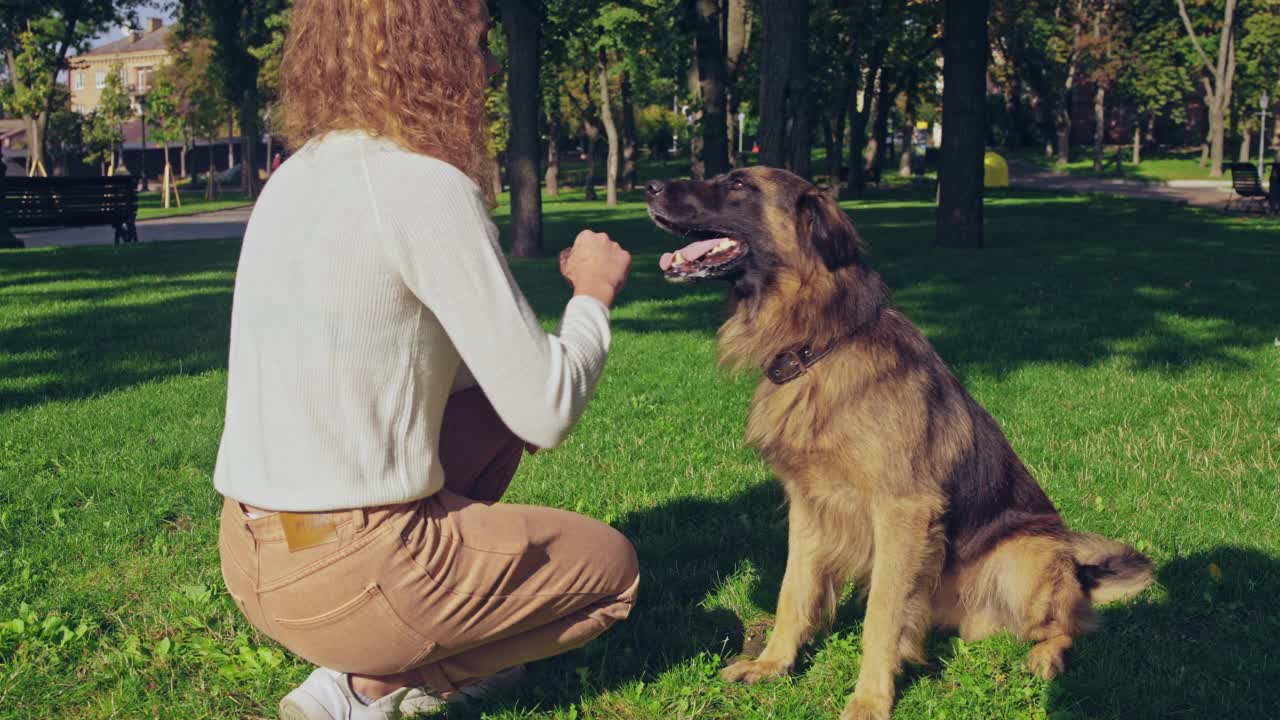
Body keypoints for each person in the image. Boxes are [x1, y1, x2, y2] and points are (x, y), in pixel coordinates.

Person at [212, 0, 638, 718]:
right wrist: (593, 294)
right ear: (428, 53)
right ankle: (370, 683)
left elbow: (498, 401)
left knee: (494, 417)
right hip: (351, 579)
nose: (493, 66)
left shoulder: (295, 177)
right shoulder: (423, 186)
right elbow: (549, 407)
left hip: (249, 553)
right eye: (476, 45)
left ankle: (373, 645)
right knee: (614, 574)